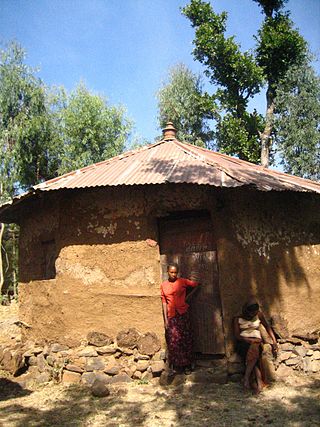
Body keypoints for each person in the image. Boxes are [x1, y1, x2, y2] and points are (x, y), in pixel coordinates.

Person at [160, 263, 200, 375]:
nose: (173, 274)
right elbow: (164, 303)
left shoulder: (182, 282)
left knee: (185, 339)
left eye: (175, 272)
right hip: (172, 316)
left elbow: (196, 285)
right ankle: (177, 366)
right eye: (171, 272)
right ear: (167, 272)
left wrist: (187, 298)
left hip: (183, 314)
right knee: (174, 340)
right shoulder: (163, 285)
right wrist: (166, 320)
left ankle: (187, 365)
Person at [233, 298, 278, 394]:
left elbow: (267, 327)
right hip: (243, 342)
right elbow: (237, 336)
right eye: (250, 313)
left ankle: (247, 379)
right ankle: (258, 382)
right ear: (246, 310)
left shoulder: (259, 315)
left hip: (257, 342)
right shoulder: (237, 318)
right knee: (254, 354)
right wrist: (250, 340)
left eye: (254, 313)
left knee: (255, 350)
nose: (253, 315)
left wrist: (274, 341)